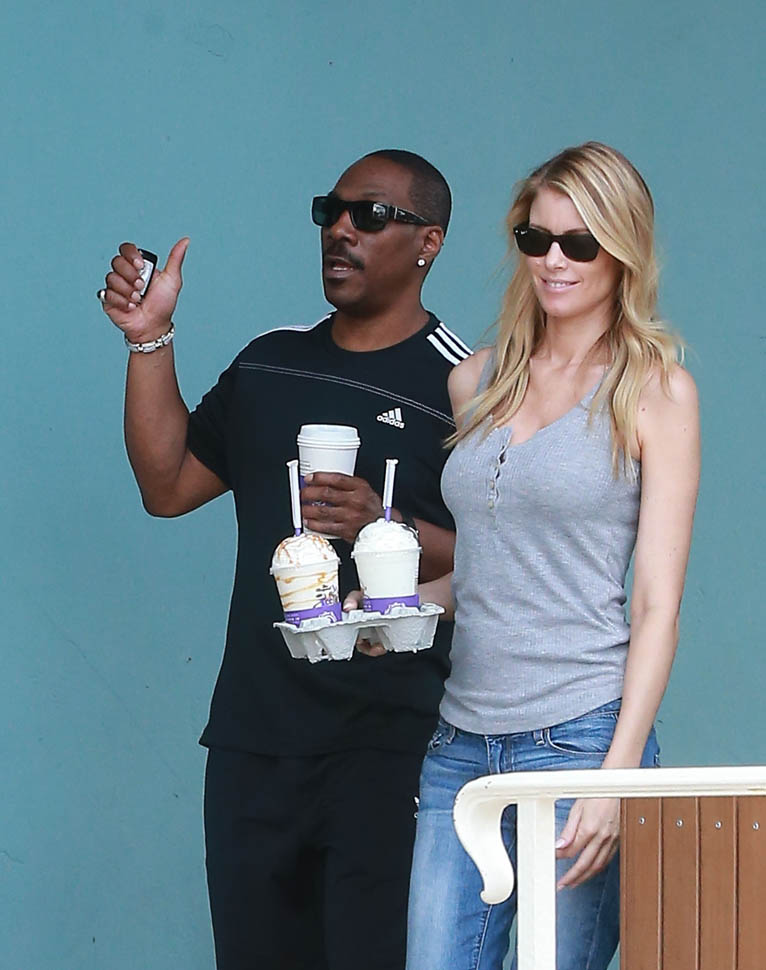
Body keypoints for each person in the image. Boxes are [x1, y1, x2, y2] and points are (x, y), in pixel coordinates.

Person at [98, 149, 472, 970]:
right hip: (255, 739)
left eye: (370, 215)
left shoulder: (466, 385)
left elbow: (503, 560)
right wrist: (148, 339)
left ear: (428, 242)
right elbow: (167, 485)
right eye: (329, 212)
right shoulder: (272, 361)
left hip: (393, 742)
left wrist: (386, 523)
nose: (341, 230)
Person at [399, 142, 700, 970]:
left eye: (579, 243)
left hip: (582, 737)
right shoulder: (478, 381)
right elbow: (490, 569)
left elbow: (657, 605)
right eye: (536, 239)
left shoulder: (655, 392)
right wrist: (389, 611)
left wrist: (617, 775)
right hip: (461, 742)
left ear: (622, 250)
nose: (554, 261)